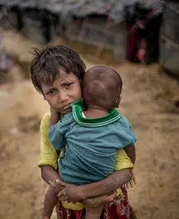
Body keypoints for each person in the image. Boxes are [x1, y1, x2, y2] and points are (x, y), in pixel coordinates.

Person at [30, 45, 137, 219]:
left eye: (67, 85)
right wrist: (63, 187)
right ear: (43, 95)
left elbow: (124, 172)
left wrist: (83, 192)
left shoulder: (103, 118)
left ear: (82, 80)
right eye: (51, 91)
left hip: (107, 202)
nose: (63, 97)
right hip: (70, 204)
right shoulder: (47, 122)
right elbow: (46, 167)